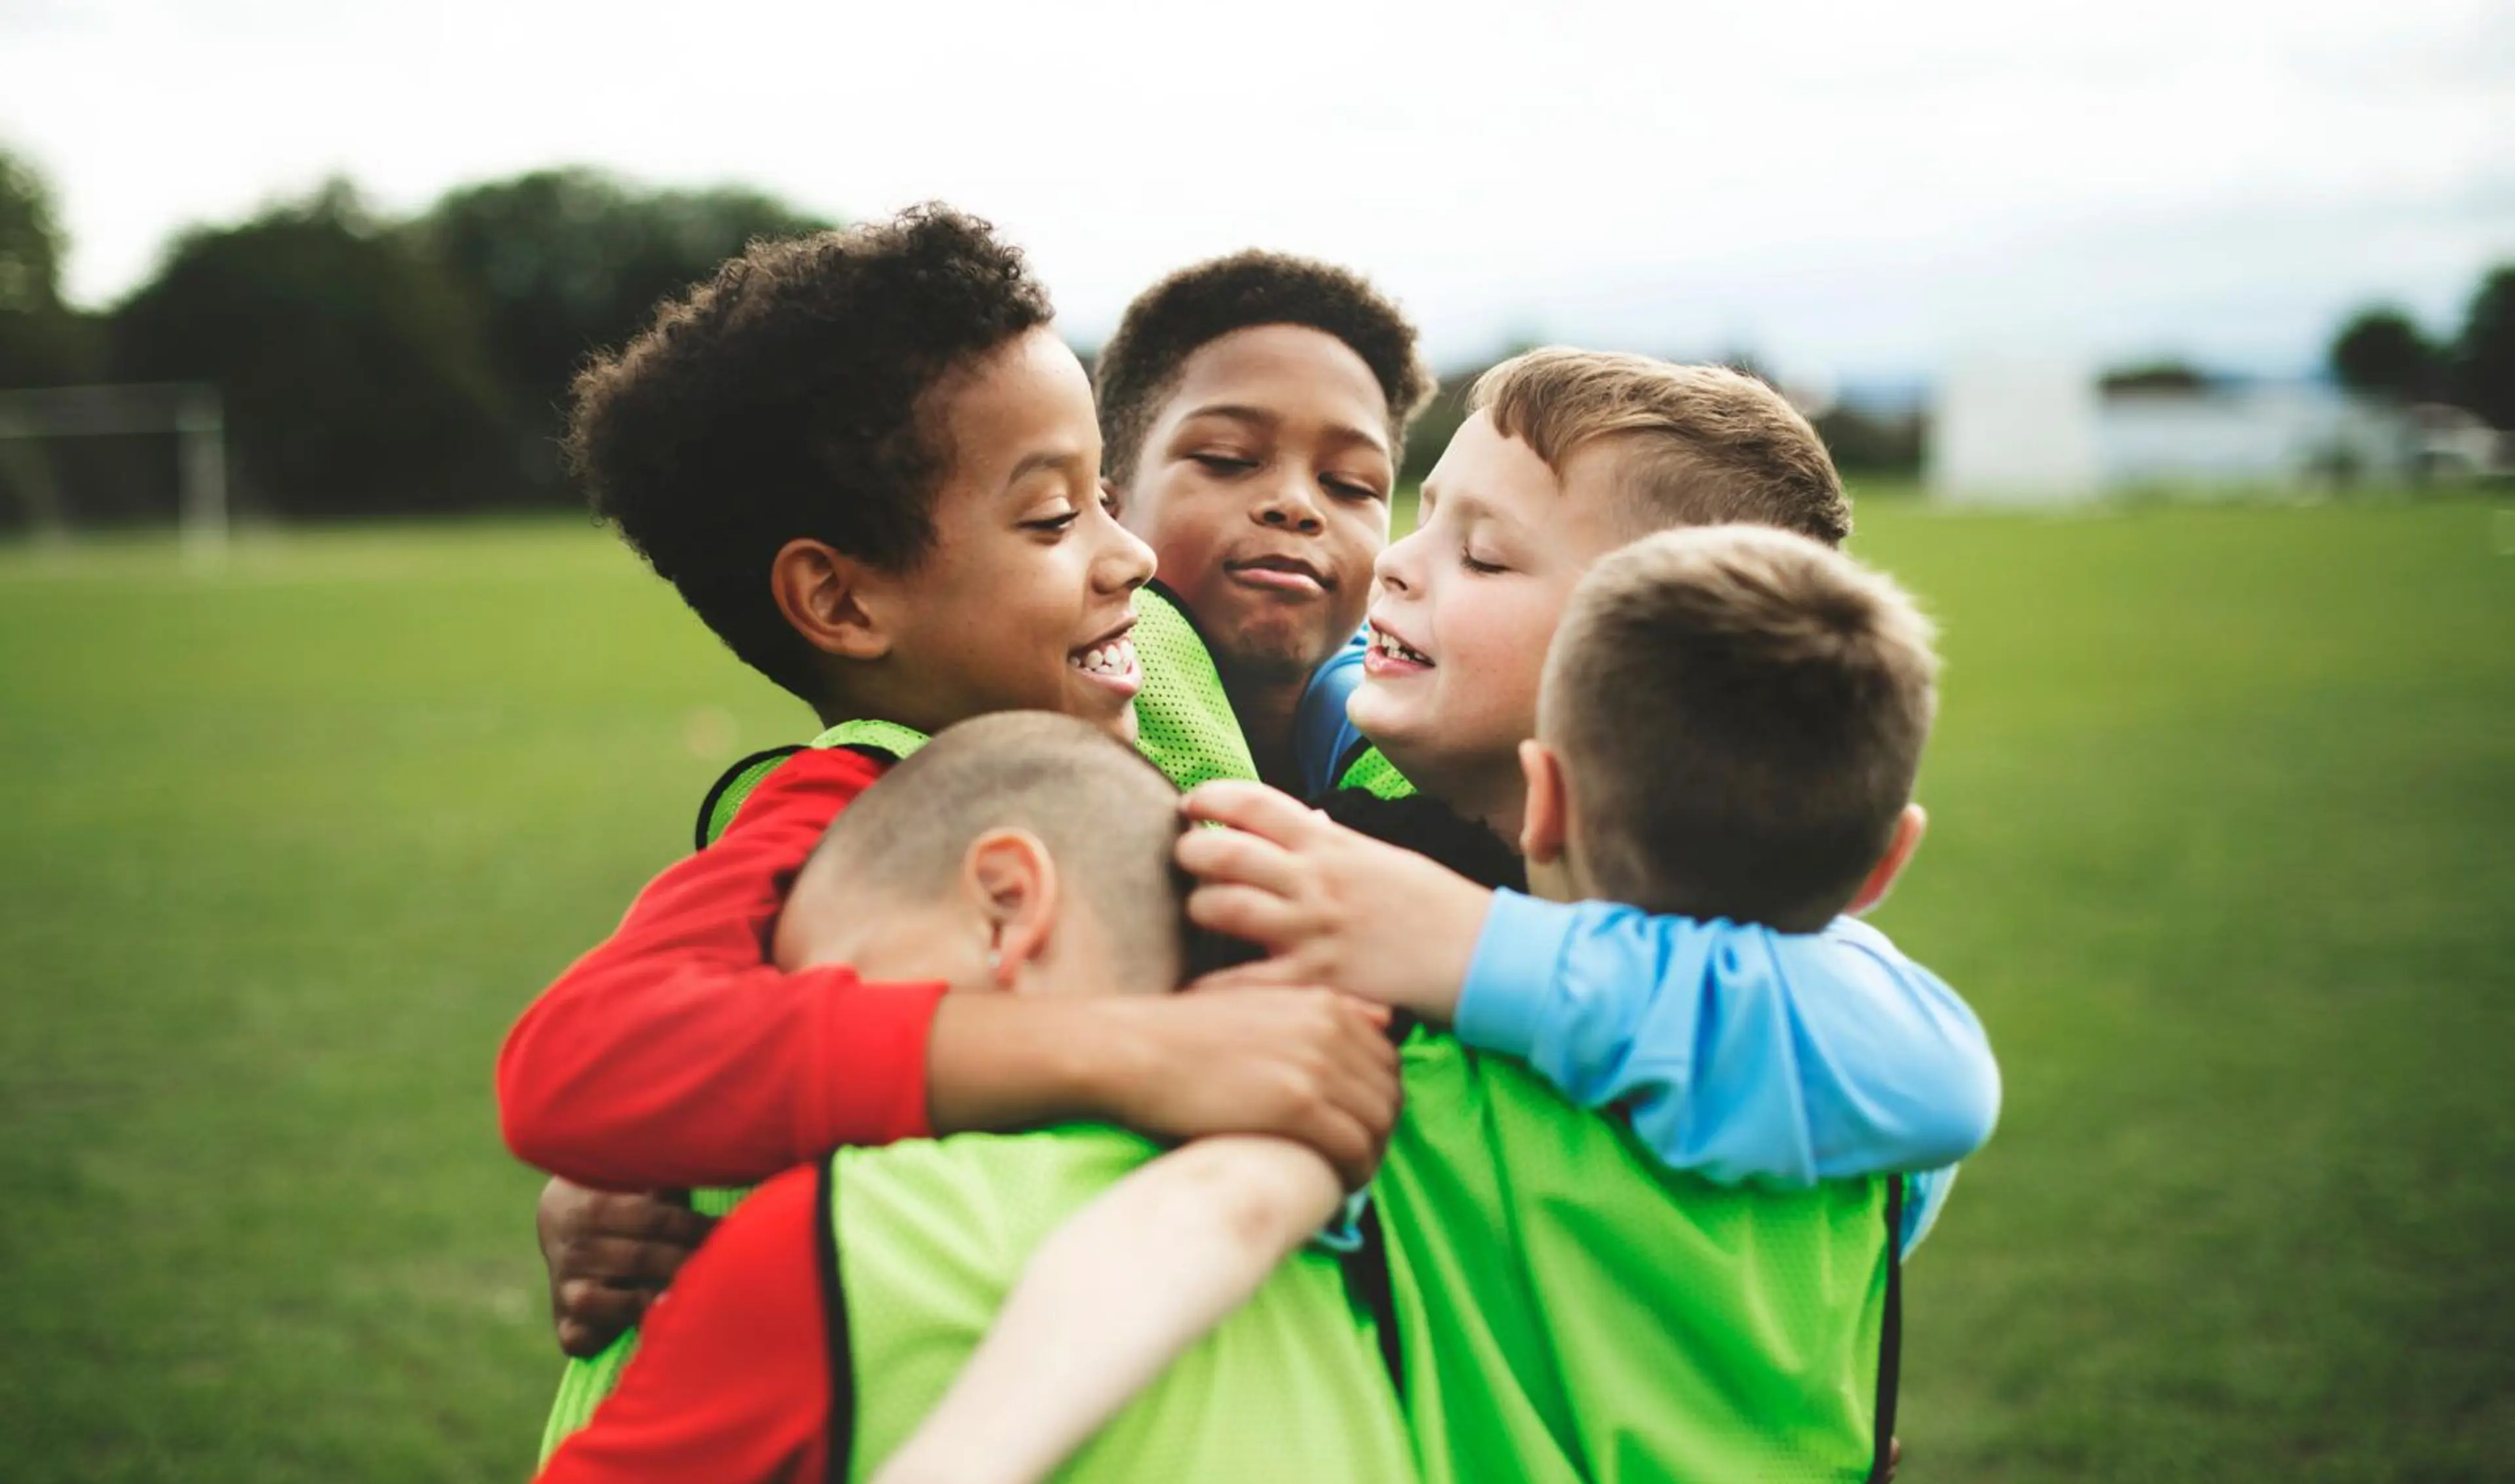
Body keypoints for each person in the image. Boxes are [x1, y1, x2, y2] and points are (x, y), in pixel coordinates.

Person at [894, 353, 1996, 1483]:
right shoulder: (1364, 745)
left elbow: (1940, 1072)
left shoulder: (1754, 1016)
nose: (1396, 567)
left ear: (1637, 654)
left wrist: (1464, 948)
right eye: (1420, 516)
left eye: (1481, 552)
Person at [496, 206, 1402, 1455]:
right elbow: (581, 1065)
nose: (1128, 553)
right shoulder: (844, 803)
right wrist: (1128, 1051)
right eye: (1052, 520)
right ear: (839, 598)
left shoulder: (1149, 674)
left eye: (1102, 494)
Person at [534, 713, 1419, 1484]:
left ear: (1005, 907)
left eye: (831, 988)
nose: (807, 1087)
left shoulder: (861, 1236)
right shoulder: (1335, 1251)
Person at [1094, 250, 1435, 793]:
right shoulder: (1006, 757)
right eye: (1227, 459)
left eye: (1350, 483)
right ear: (1106, 510)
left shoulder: (1460, 772)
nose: (1296, 503)